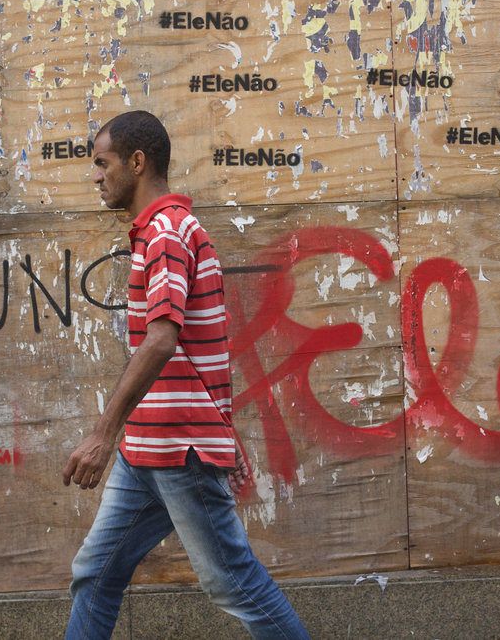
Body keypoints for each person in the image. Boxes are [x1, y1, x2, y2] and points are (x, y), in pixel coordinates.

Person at [62, 110, 308, 640]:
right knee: (95, 574)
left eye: (102, 164)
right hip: (148, 447)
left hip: (180, 449)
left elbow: (162, 337)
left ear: (137, 161)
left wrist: (102, 433)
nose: (96, 176)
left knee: (231, 582)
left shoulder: (168, 232)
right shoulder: (157, 231)